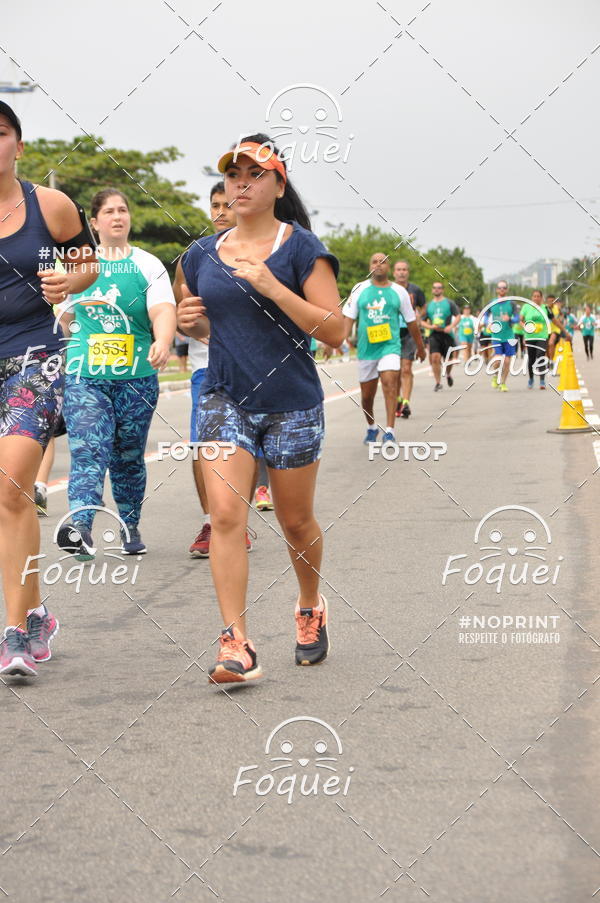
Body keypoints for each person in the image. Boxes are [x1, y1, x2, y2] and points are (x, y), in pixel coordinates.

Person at [176, 134, 344, 683]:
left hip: (291, 403)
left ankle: (309, 605)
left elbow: (337, 331)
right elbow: (205, 324)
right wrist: (190, 324)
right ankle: (237, 643)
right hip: (226, 399)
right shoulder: (201, 257)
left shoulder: (301, 250)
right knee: (225, 515)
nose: (241, 184)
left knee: (295, 522)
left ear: (278, 184)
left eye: (254, 174)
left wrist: (275, 288)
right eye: (233, 175)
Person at [0, 101, 97, 677]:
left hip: (33, 354)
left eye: (0, 132)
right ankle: (35, 612)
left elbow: (88, 263)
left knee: (12, 485)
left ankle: (13, 633)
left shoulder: (49, 205)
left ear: (18, 144)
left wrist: (71, 277)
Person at [57, 188, 176, 560]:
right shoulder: (78, 265)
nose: (117, 216)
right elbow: (66, 318)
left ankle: (129, 521)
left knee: (126, 456)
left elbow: (162, 310)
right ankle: (80, 526)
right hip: (85, 375)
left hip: (137, 377)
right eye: (108, 211)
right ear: (94, 222)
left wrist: (164, 340)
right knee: (89, 449)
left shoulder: (147, 264)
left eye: (123, 210)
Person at [343, 254, 424, 443]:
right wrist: (338, 341)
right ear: (369, 266)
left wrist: (420, 347)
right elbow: (348, 319)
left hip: (390, 346)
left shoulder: (399, 292)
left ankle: (390, 431)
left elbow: (412, 322)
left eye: (383, 261)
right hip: (366, 350)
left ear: (389, 267)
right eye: (374, 261)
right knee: (367, 397)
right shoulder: (359, 289)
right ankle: (371, 427)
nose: (378, 264)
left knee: (390, 383)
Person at [392, 260, 426, 419]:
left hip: (409, 332)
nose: (401, 272)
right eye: (398, 269)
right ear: (394, 272)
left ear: (408, 272)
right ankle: (398, 399)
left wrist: (419, 316)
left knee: (406, 368)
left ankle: (406, 402)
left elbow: (423, 306)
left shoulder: (415, 290)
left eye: (404, 269)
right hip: (391, 332)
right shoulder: (389, 289)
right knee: (395, 371)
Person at [421, 281, 460, 391]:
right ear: (432, 290)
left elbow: (458, 316)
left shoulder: (449, 303)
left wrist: (451, 326)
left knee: (448, 359)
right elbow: (421, 321)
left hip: (447, 334)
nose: (436, 289)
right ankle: (438, 382)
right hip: (434, 335)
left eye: (439, 288)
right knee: (435, 358)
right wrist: (430, 327)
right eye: (434, 288)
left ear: (442, 290)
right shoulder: (428, 305)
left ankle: (448, 374)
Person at [487, 280, 517, 392]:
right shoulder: (492, 302)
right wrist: (487, 323)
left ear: (507, 289)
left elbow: (518, 318)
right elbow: (486, 316)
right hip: (496, 335)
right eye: (500, 288)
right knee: (498, 360)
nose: (502, 289)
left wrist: (510, 319)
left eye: (504, 287)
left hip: (509, 335)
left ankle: (503, 383)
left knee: (507, 361)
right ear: (496, 290)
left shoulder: (511, 303)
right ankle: (495, 376)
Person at [520, 289, 548, 389]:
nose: (536, 298)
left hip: (542, 336)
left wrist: (563, 331)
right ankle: (531, 379)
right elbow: (521, 321)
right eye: (534, 296)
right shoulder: (526, 307)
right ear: (532, 297)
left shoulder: (545, 308)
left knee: (540, 356)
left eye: (538, 296)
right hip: (530, 337)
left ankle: (542, 381)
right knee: (531, 358)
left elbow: (553, 319)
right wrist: (525, 327)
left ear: (541, 298)